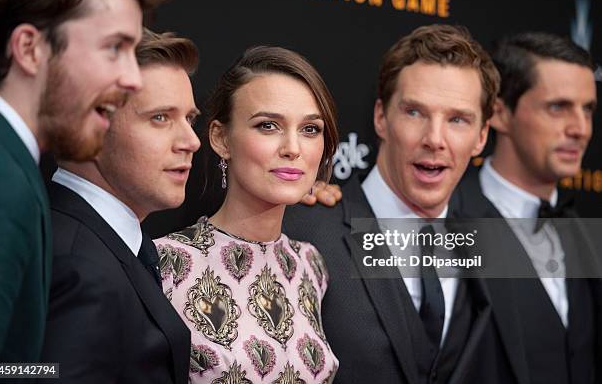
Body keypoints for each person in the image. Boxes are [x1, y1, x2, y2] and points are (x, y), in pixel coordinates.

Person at [283, 24, 500, 383]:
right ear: (381, 117)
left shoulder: (488, 246)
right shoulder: (304, 230)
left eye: (458, 120)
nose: (434, 139)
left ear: (481, 137)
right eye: (415, 112)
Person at [0, 0, 174, 366]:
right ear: (29, 48)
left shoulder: (11, 166)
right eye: (114, 48)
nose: (132, 78)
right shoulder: (1, 180)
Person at [155, 46, 340, 383]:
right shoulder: (165, 262)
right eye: (268, 126)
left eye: (310, 129)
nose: (293, 148)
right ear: (221, 138)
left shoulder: (310, 265)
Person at [40, 29, 198, 383]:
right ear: (90, 127)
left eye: (190, 119)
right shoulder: (77, 267)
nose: (191, 141)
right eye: (160, 118)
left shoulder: (93, 241)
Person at [450, 32, 600, 384]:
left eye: (588, 110)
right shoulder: (445, 220)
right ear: (499, 113)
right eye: (558, 107)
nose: (580, 129)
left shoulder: (585, 234)